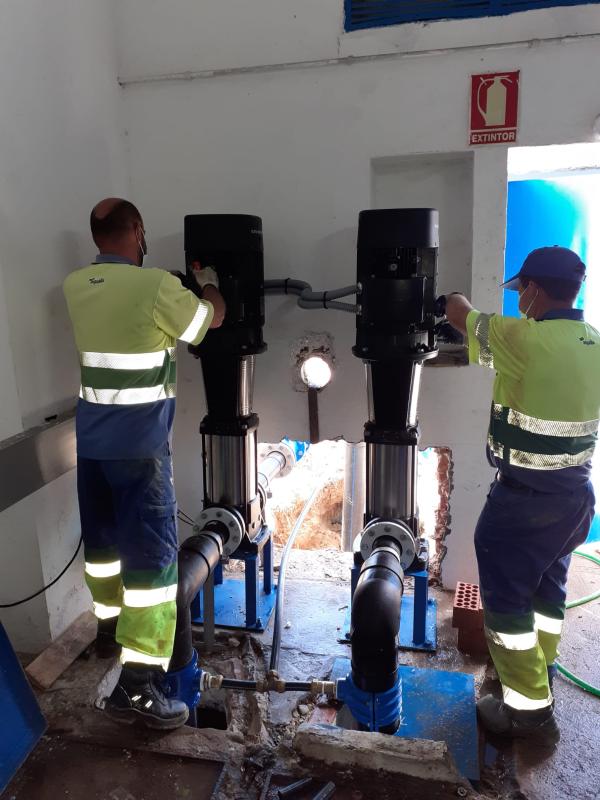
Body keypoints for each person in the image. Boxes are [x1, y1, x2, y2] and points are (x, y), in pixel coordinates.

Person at [63, 198, 225, 729]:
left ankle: (109, 628)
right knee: (153, 567)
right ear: (136, 230)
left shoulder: (75, 286)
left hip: (92, 447)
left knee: (104, 550)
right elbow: (209, 322)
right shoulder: (155, 287)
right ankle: (137, 686)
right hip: (141, 453)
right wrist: (209, 285)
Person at [440, 246, 599, 746]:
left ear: (533, 289)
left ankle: (529, 713)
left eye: (520, 292)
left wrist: (448, 296)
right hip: (575, 497)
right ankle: (541, 671)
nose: (519, 302)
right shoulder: (594, 341)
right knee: (548, 591)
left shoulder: (521, 339)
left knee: (507, 607)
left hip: (524, 504)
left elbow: (460, 315)